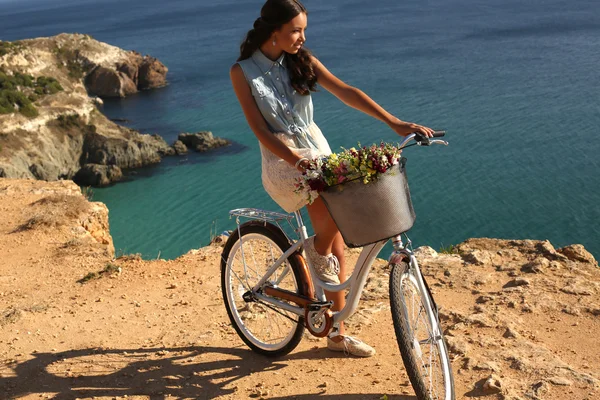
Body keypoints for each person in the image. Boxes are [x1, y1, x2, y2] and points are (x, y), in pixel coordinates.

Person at [230, 0, 435, 357]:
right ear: (274, 30)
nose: (302, 37)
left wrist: (395, 122)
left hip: (319, 156)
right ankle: (317, 259)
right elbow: (259, 130)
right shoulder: (242, 72)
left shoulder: (302, 60)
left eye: (304, 30)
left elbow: (346, 92)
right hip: (284, 163)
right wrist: (294, 159)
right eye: (296, 30)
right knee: (330, 234)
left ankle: (336, 330)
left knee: (338, 237)